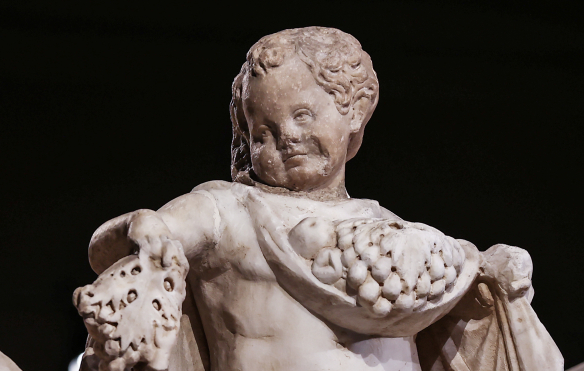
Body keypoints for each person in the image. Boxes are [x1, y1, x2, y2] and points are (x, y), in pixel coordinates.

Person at [78, 27, 562, 371]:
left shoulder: (392, 234)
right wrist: (141, 226)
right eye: (262, 133)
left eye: (303, 115)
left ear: (353, 110)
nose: (286, 136)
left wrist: (491, 282)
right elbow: (111, 249)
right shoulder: (226, 210)